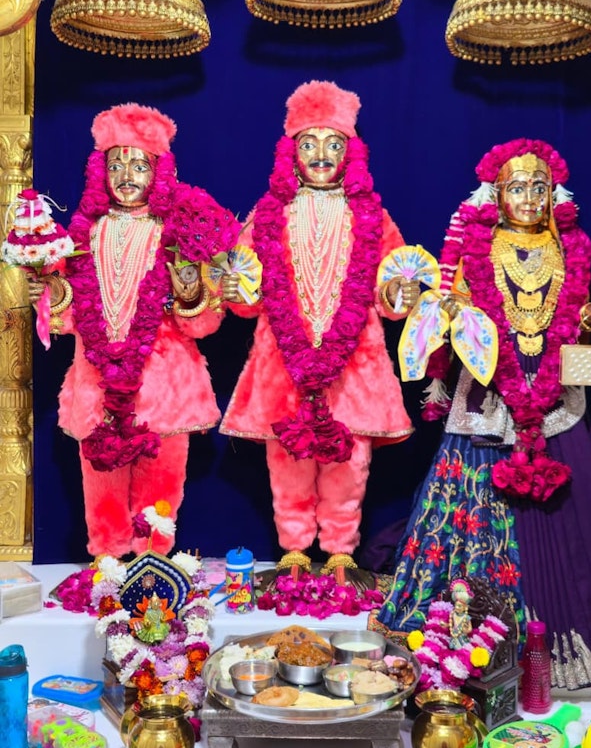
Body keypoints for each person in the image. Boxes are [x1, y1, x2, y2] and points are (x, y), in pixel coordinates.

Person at [374, 138, 591, 688]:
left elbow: (569, 317)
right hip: (490, 389)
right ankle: (470, 636)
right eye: (517, 187)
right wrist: (450, 309)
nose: (529, 197)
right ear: (495, 195)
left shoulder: (569, 246)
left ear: (554, 195)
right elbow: (456, 313)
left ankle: (564, 631)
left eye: (540, 187)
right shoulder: (477, 247)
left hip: (555, 394)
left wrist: (588, 321)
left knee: (572, 511)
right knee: (470, 513)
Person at [220, 80, 420, 584]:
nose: (321, 155)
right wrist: (234, 288)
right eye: (309, 144)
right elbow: (246, 298)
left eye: (333, 144)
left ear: (351, 152)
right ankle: (293, 549)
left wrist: (400, 290)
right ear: (291, 152)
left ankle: (339, 551)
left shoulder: (373, 216)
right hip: (282, 362)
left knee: (349, 463)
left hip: (355, 363)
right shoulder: (267, 214)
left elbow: (392, 298)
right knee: (286, 460)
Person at [28, 103, 239, 559]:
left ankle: (155, 573)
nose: (126, 175)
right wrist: (50, 293)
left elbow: (202, 325)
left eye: (139, 165)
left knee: (159, 501)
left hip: (167, 391)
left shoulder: (181, 233)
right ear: (99, 172)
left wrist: (190, 292)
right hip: (97, 389)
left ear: (158, 173)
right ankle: (106, 574)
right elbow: (66, 318)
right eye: (116, 165)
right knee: (102, 500)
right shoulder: (80, 238)